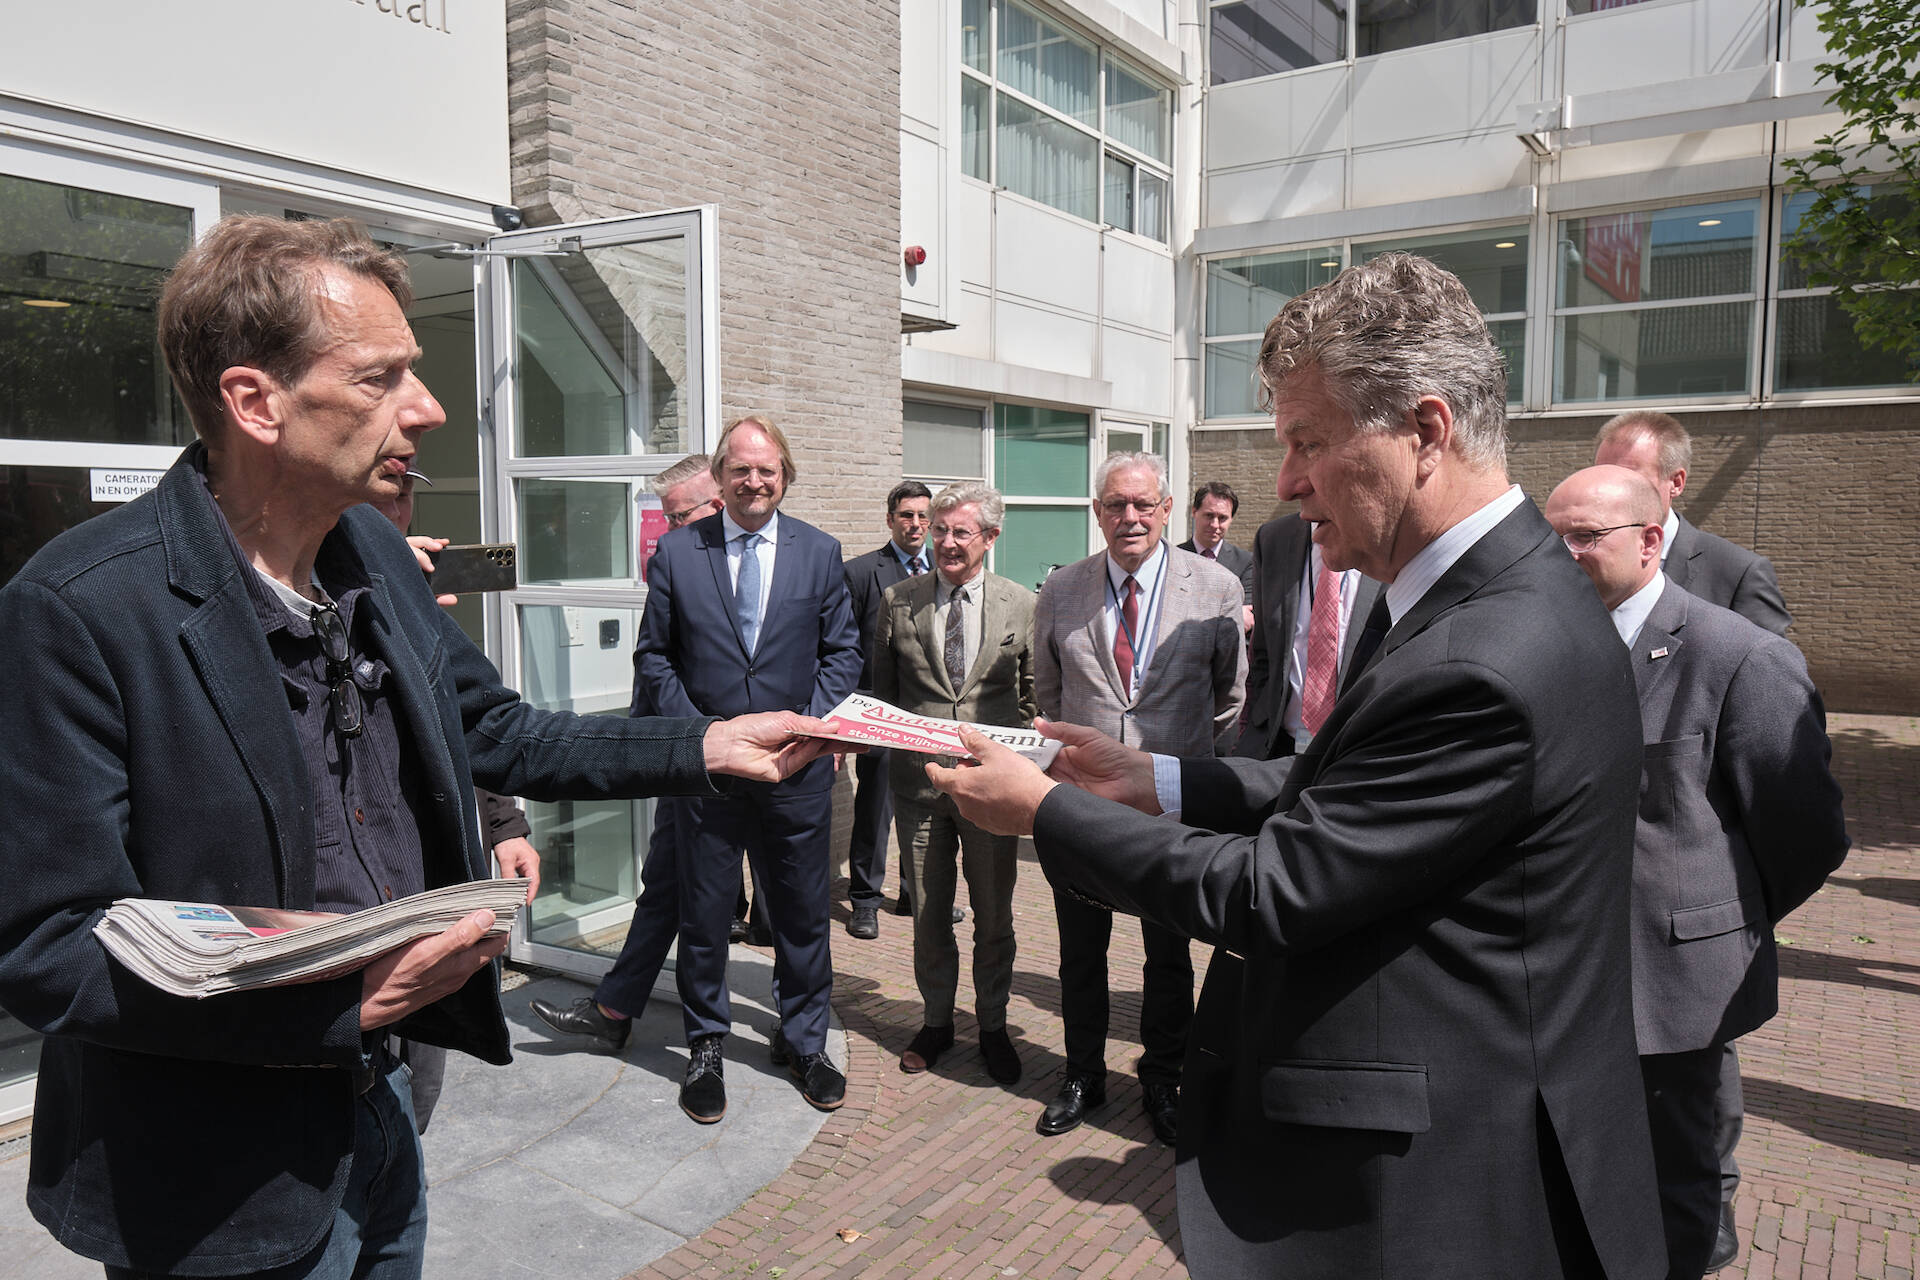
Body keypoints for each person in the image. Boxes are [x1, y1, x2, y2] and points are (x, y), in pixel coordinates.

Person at [0, 215, 839, 1279]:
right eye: (379, 377)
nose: (428, 408)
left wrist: (708, 743)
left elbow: (495, 727)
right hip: (216, 1185)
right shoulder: (78, 609)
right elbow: (47, 944)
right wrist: (330, 1006)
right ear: (255, 401)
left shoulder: (368, 551)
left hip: (385, 1102)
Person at [929, 253, 1665, 1278]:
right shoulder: (1485, 599)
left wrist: (1044, 809)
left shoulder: (1484, 651)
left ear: (1426, 431)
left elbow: (1278, 890)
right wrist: (1156, 779)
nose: (1285, 482)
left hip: (1442, 1195)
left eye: (1308, 441)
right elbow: (1355, 786)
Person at [1545, 465, 1848, 1278]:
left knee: (1676, 1189)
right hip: (1559, 978)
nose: (1563, 554)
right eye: (1552, 536)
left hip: (1672, 991)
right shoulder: (1549, 646)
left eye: (1585, 537)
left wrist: (1713, 924)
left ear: (1651, 541)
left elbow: (1807, 835)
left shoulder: (1740, 657)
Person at [631, 414, 864, 1120]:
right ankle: (705, 1045)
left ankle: (805, 1041)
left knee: (801, 912)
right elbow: (655, 657)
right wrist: (705, 735)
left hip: (796, 769)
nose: (754, 481)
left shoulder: (819, 552)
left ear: (784, 474)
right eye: (740, 469)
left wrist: (805, 731)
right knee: (704, 914)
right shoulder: (679, 553)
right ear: (720, 477)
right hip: (708, 770)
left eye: (766, 469)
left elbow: (842, 654)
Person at [1030, 452, 1245, 1144]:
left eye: (1143, 504)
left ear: (1166, 508)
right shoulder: (1062, 588)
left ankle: (1164, 1077)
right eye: (1116, 505)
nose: (1130, 517)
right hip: (1083, 805)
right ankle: (1082, 1075)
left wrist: (1176, 767)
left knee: (1169, 954)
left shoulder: (1216, 587)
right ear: (1098, 512)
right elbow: (1048, 692)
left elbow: (1228, 699)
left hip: (1169, 804)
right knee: (1080, 952)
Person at [531, 455, 728, 1058]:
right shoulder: (680, 562)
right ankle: (613, 1011)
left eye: (678, 517)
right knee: (665, 884)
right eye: (665, 518)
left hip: (717, 758)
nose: (666, 530)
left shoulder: (748, 572)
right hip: (682, 755)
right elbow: (655, 656)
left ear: (716, 506)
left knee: (703, 901)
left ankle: (737, 1037)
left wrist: (699, 741)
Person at [367, 469, 543, 1133]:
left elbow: (467, 725)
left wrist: (504, 824)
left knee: (422, 1078)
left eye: (404, 492)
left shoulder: (416, 604)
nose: (396, 508)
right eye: (377, 492)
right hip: (351, 904)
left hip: (432, 883)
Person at [871, 483, 1035, 1084]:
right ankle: (936, 1022)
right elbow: (884, 693)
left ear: (990, 537)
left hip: (991, 794)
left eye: (960, 532)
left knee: (994, 918)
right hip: (919, 793)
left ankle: (993, 1026)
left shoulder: (1021, 604)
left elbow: (1030, 696)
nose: (944, 542)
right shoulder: (898, 600)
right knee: (929, 916)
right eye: (939, 530)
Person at [1594, 410, 1790, 636]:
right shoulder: (1576, 557)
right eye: (1601, 476)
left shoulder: (1738, 574)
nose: (1610, 490)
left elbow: (1767, 656)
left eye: (1629, 478)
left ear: (1676, 483)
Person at [840, 480, 934, 937]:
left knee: (926, 805)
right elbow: (842, 646)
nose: (915, 524)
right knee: (875, 807)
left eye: (922, 516)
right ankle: (864, 900)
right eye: (906, 515)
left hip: (929, 712)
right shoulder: (860, 573)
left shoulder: (945, 568)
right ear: (890, 519)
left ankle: (915, 893)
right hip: (879, 710)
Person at [1234, 510, 1383, 760]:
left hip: (1358, 750)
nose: (1288, 491)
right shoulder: (1274, 538)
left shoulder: (1388, 537)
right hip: (1276, 745)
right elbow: (1262, 652)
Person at [1176, 480, 1255, 635]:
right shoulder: (1173, 557)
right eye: (1209, 515)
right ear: (1194, 512)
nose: (1214, 524)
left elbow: (1246, 620)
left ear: (1231, 519)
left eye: (1222, 518)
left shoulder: (1246, 563)